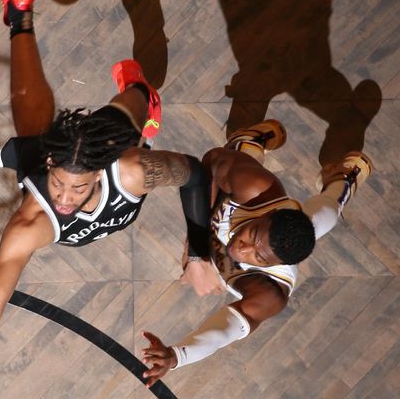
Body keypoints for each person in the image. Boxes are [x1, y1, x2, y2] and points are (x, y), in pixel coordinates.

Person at [0, 0, 217, 364]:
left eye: (78, 188)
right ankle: (19, 10)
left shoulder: (133, 170)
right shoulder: (32, 221)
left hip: (111, 134)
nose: (66, 198)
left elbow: (195, 172)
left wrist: (199, 254)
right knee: (36, 133)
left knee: (142, 91)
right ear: (51, 169)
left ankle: (139, 92)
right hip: (59, 149)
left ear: (99, 174)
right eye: (59, 185)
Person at [140, 120, 373, 386]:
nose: (242, 249)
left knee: (327, 212)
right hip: (246, 193)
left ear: (275, 265)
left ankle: (342, 180)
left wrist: (176, 356)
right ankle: (248, 144)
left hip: (288, 225)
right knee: (236, 167)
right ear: (267, 214)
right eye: (251, 235)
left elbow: (225, 330)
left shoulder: (269, 291)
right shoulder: (257, 187)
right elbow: (211, 162)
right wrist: (195, 247)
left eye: (258, 257)